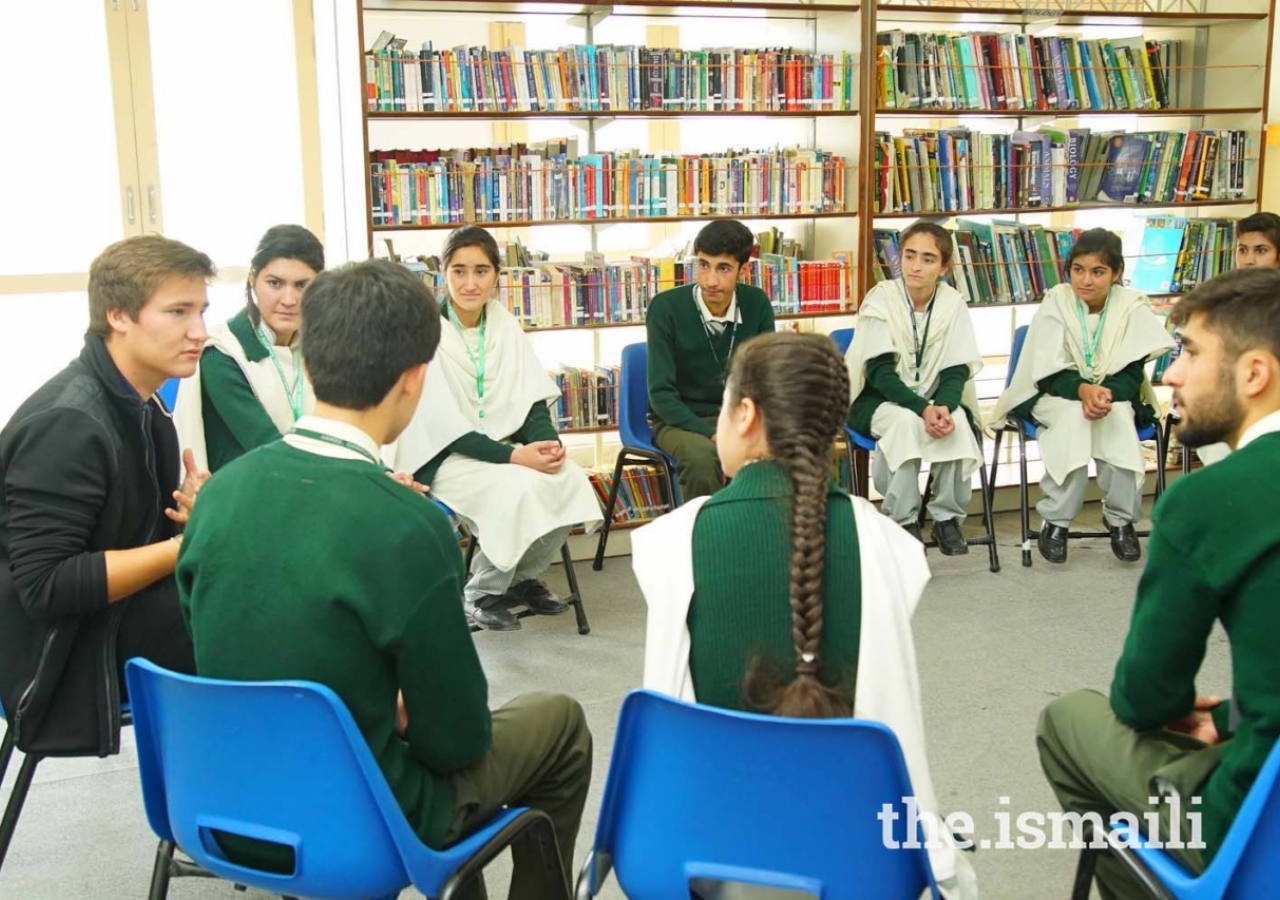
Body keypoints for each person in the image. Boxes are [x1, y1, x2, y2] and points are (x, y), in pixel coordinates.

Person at [177, 260, 592, 899]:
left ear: (307, 362)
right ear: (414, 379)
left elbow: (224, 646)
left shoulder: (219, 495)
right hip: (365, 817)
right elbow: (456, 740)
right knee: (558, 722)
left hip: (225, 803)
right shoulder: (410, 524)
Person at [633, 332, 976, 899]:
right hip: (858, 859)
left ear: (744, 414)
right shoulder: (888, 543)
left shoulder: (668, 542)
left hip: (706, 854)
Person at [1036, 267, 1280, 900]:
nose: (1171, 374)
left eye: (1191, 353)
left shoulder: (1210, 501)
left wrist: (1202, 719)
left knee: (1069, 720)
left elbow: (1143, 700)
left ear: (1254, 374)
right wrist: (1229, 716)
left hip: (1252, 824)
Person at [0, 235, 211, 756]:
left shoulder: (143, 406)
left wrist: (184, 520)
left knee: (267, 598)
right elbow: (45, 587)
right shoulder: (68, 424)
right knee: (263, 619)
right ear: (118, 315)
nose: (199, 331)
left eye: (202, 311)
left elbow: (131, 542)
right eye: (178, 312)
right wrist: (188, 546)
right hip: (60, 652)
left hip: (111, 619)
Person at [394, 226, 601, 632]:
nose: (470, 283)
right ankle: (481, 591)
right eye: (459, 271)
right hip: (444, 454)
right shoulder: (423, 331)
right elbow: (443, 426)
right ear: (443, 274)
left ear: (497, 276)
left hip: (506, 448)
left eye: (481, 271)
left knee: (570, 479)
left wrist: (547, 445)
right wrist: (514, 456)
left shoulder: (504, 324)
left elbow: (530, 398)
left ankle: (518, 579)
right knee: (515, 490)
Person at [991, 228, 1175, 564]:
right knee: (1074, 421)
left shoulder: (1131, 306)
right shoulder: (1057, 301)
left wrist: (1104, 394)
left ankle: (1121, 520)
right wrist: (1083, 390)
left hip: (1113, 398)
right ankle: (1057, 520)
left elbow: (1133, 371)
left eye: (1098, 271)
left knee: (1119, 419)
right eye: (1079, 269)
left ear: (1117, 273)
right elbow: (1046, 372)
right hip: (1056, 395)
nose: (1085, 280)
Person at [845, 222, 983, 552]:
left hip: (936, 400)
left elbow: (956, 370)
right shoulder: (881, 299)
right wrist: (923, 409)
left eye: (927, 259)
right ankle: (902, 520)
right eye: (909, 256)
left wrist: (944, 408)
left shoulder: (953, 304)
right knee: (905, 423)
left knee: (958, 423)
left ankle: (947, 519)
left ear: (944, 266)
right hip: (877, 401)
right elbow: (879, 372)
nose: (916, 267)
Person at [174, 224, 324, 472]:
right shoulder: (222, 354)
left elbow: (346, 425)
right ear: (253, 281)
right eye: (275, 283)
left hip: (302, 485)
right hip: (249, 496)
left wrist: (383, 474)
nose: (289, 300)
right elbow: (266, 445)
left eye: (302, 285)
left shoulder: (318, 346)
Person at [646, 219, 777, 500]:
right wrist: (713, 433)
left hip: (738, 417)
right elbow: (661, 395)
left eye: (724, 268)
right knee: (701, 458)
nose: (710, 280)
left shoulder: (757, 304)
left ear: (744, 270)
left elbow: (766, 382)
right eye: (704, 265)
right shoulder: (665, 308)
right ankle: (706, 539)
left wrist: (743, 427)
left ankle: (764, 538)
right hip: (679, 420)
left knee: (786, 450)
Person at [1190, 211, 1280, 467]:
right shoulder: (1221, 299)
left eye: (1261, 250)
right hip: (1234, 391)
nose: (1249, 260)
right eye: (1243, 250)